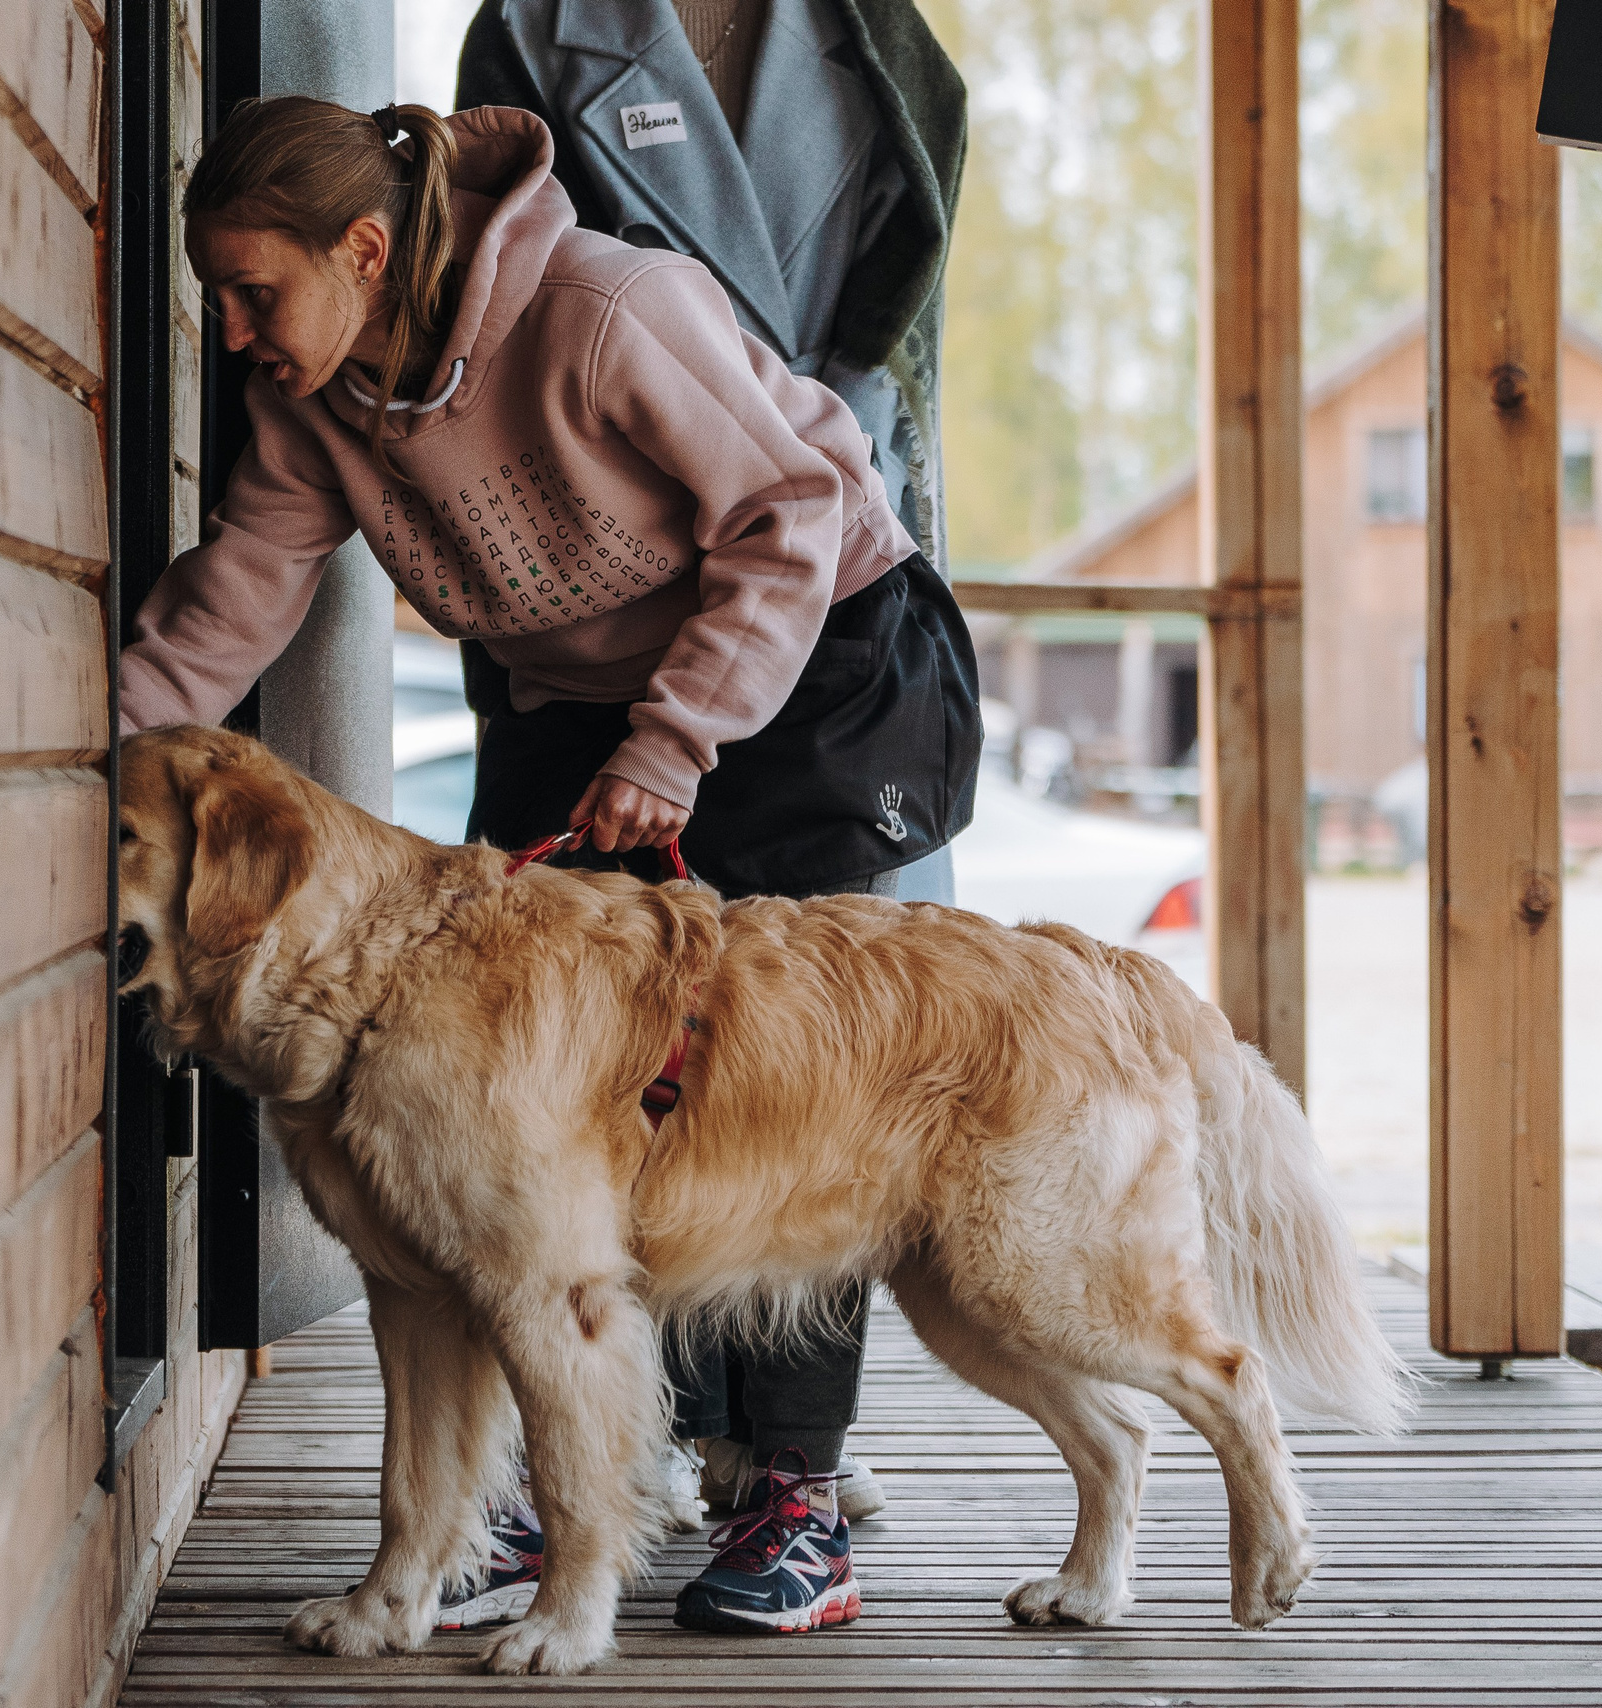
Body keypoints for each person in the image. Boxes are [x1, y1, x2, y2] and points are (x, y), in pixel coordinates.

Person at [117, 95, 977, 1636]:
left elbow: (789, 515)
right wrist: (80, 760)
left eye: (258, 290)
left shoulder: (603, 311)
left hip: (812, 651)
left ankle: (788, 1493)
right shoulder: (321, 399)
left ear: (367, 251)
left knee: (786, 1081)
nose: (233, 328)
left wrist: (677, 739)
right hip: (572, 694)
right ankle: (534, 1493)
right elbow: (236, 595)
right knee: (523, 1103)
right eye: (217, 294)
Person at [455, 0, 967, 1622]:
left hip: (822, 569)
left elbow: (906, 316)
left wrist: (872, 503)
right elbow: (473, 289)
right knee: (597, 1061)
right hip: (597, 588)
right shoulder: (532, 30)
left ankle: (789, 1481)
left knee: (811, 1060)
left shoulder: (881, 41)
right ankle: (614, 1453)